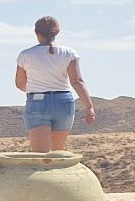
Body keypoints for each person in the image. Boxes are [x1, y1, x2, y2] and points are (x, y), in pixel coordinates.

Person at [15, 15, 97, 153]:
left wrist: (35, 90)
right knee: (56, 154)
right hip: (63, 102)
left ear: (36, 33)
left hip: (38, 102)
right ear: (57, 32)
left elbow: (20, 84)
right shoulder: (69, 53)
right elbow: (77, 81)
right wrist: (89, 107)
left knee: (41, 156)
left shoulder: (26, 55)